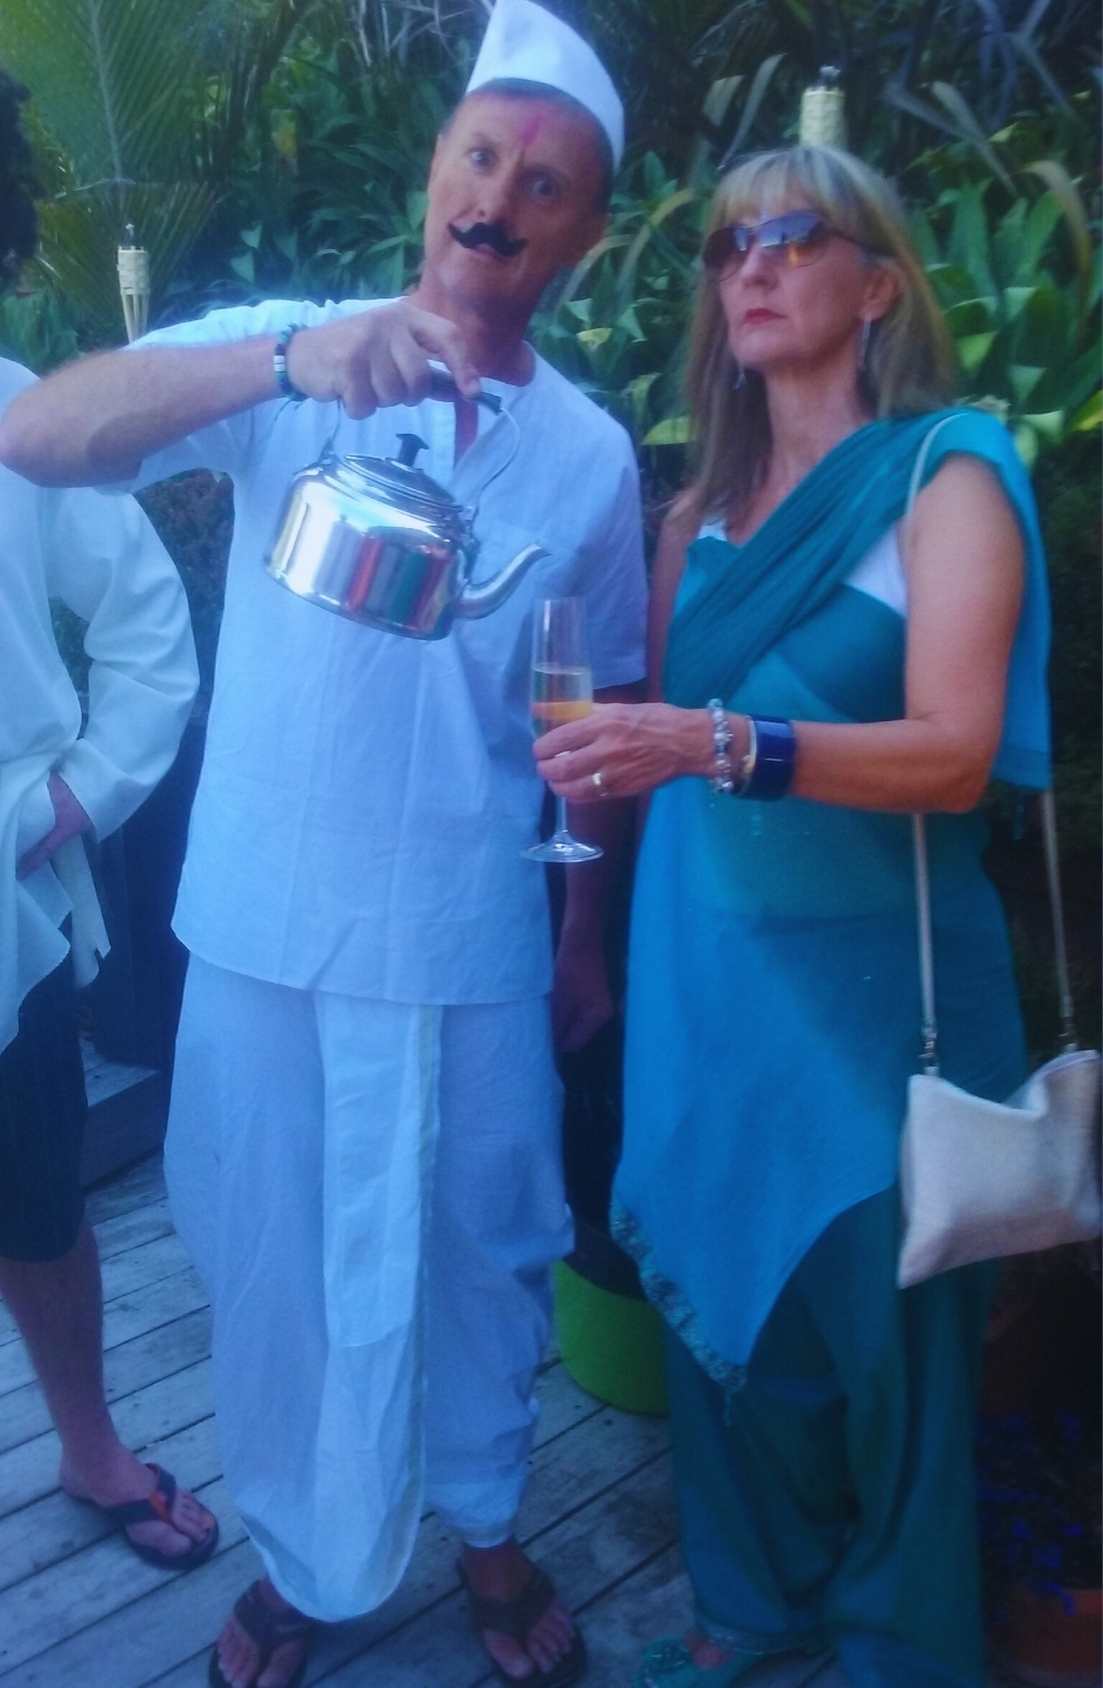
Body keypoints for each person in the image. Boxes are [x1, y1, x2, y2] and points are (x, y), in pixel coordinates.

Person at [0, 4, 647, 1683]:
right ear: (438, 173)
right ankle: (304, 1563)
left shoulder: (588, 458)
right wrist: (289, 359)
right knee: (270, 1261)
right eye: (481, 158)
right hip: (264, 926)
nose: (498, 199)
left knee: (490, 1248)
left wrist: (587, 935)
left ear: (585, 233)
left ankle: (485, 1528)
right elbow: (42, 430)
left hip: (472, 933)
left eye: (546, 184)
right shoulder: (298, 352)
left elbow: (595, 709)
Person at [535, 143, 1051, 1687]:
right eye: (727, 245)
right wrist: (588, 942)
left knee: (891, 1347)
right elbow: (635, 762)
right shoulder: (693, 520)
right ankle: (748, 1608)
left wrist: (715, 741)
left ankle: (899, 1645)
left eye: (795, 235)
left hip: (880, 1002)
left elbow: (954, 757)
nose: (751, 264)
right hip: (706, 984)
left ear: (878, 284)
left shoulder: (946, 477)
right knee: (725, 1318)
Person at [0, 70, 211, 1577]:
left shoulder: (18, 413)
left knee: (34, 1198)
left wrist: (77, 794)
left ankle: (88, 1448)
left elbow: (148, 626)